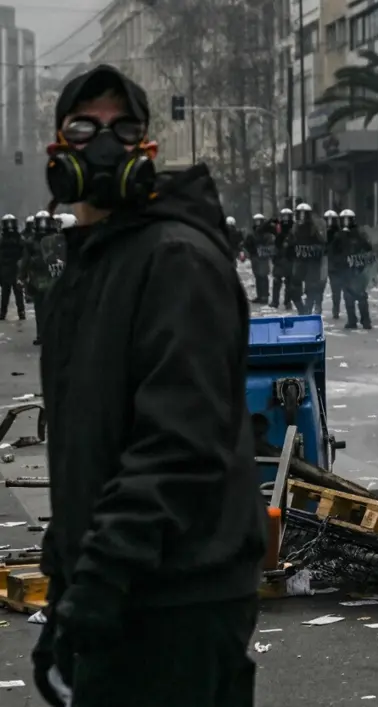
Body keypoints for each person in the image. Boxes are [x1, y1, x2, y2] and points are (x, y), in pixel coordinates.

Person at [33, 63, 265, 707]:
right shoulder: (89, 266)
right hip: (125, 584)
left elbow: (177, 440)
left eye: (122, 127)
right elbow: (86, 445)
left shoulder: (174, 258)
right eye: (85, 126)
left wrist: (99, 580)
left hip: (177, 598)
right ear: (58, 146)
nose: (103, 142)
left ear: (147, 150)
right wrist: (65, 582)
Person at [21, 210, 65, 346]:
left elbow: (62, 256)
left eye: (44, 222)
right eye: (40, 222)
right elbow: (25, 259)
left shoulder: (56, 239)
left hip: (53, 277)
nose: (43, 225)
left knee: (53, 309)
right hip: (38, 278)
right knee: (40, 309)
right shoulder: (31, 241)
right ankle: (41, 334)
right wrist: (22, 275)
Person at [339, 208, 373, 330]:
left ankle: (365, 320)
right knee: (348, 296)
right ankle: (352, 320)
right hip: (347, 269)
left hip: (358, 268)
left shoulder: (359, 234)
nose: (346, 222)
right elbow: (335, 251)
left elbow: (368, 249)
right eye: (344, 220)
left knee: (361, 295)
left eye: (348, 220)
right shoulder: (340, 235)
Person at [291, 203, 327, 315]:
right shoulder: (295, 228)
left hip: (312, 263)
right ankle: (302, 310)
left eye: (304, 214)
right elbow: (290, 244)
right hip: (299, 261)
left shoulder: (314, 228)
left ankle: (307, 311)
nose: (301, 216)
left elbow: (322, 245)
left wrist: (312, 249)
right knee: (293, 289)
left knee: (311, 288)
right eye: (299, 214)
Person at [0, 214, 26, 321]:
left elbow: (25, 254)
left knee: (17, 294)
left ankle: (20, 312)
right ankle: (3, 313)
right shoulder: (2, 240)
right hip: (7, 270)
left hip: (15, 270)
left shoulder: (19, 239)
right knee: (6, 294)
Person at [324, 210, 348, 319]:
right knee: (336, 290)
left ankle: (337, 309)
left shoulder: (341, 234)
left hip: (339, 264)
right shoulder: (325, 233)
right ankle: (336, 309)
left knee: (339, 289)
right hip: (334, 264)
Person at [245, 213, 273, 304]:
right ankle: (260, 295)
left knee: (263, 277)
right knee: (257, 277)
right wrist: (250, 251)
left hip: (263, 257)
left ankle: (265, 296)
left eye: (259, 221)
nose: (258, 223)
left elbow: (270, 245)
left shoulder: (267, 234)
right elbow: (247, 244)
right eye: (256, 221)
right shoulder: (252, 234)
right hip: (255, 257)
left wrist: (263, 250)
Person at [270, 207, 293, 308]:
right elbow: (275, 243)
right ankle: (276, 301)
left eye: (287, 216)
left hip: (288, 258)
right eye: (284, 216)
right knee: (277, 281)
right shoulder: (278, 228)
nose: (285, 218)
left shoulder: (293, 227)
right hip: (280, 258)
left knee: (289, 282)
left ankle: (287, 302)